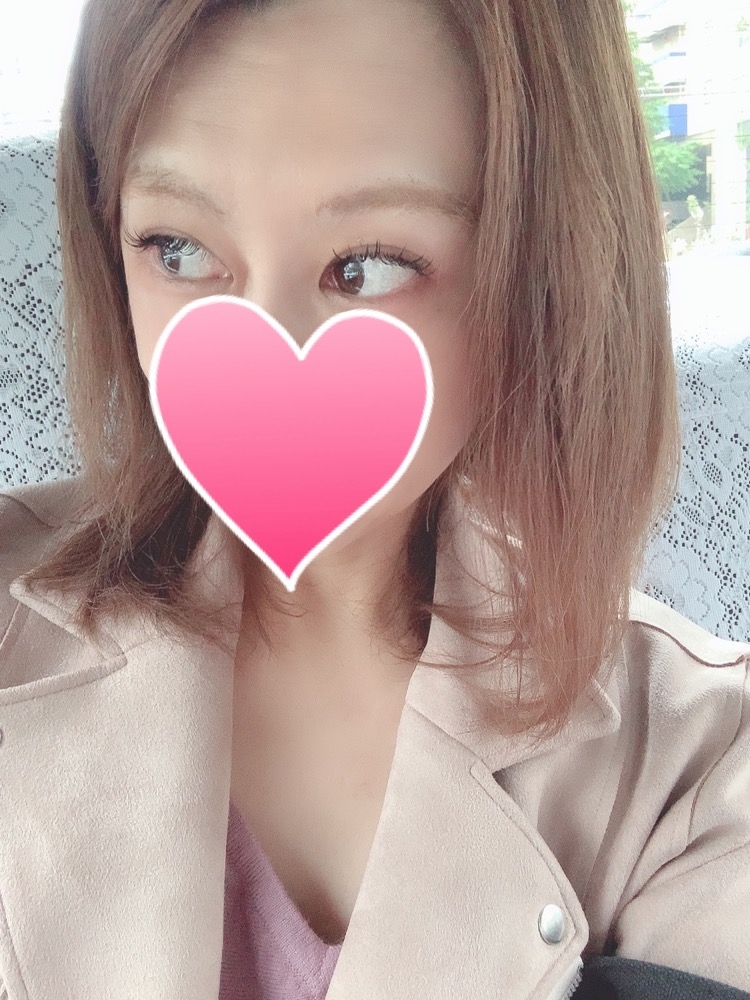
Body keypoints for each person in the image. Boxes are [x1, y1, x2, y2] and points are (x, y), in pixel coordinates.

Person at [0, 0, 748, 997]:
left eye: (370, 267)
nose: (261, 351)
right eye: (177, 250)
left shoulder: (696, 769)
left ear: (544, 273)